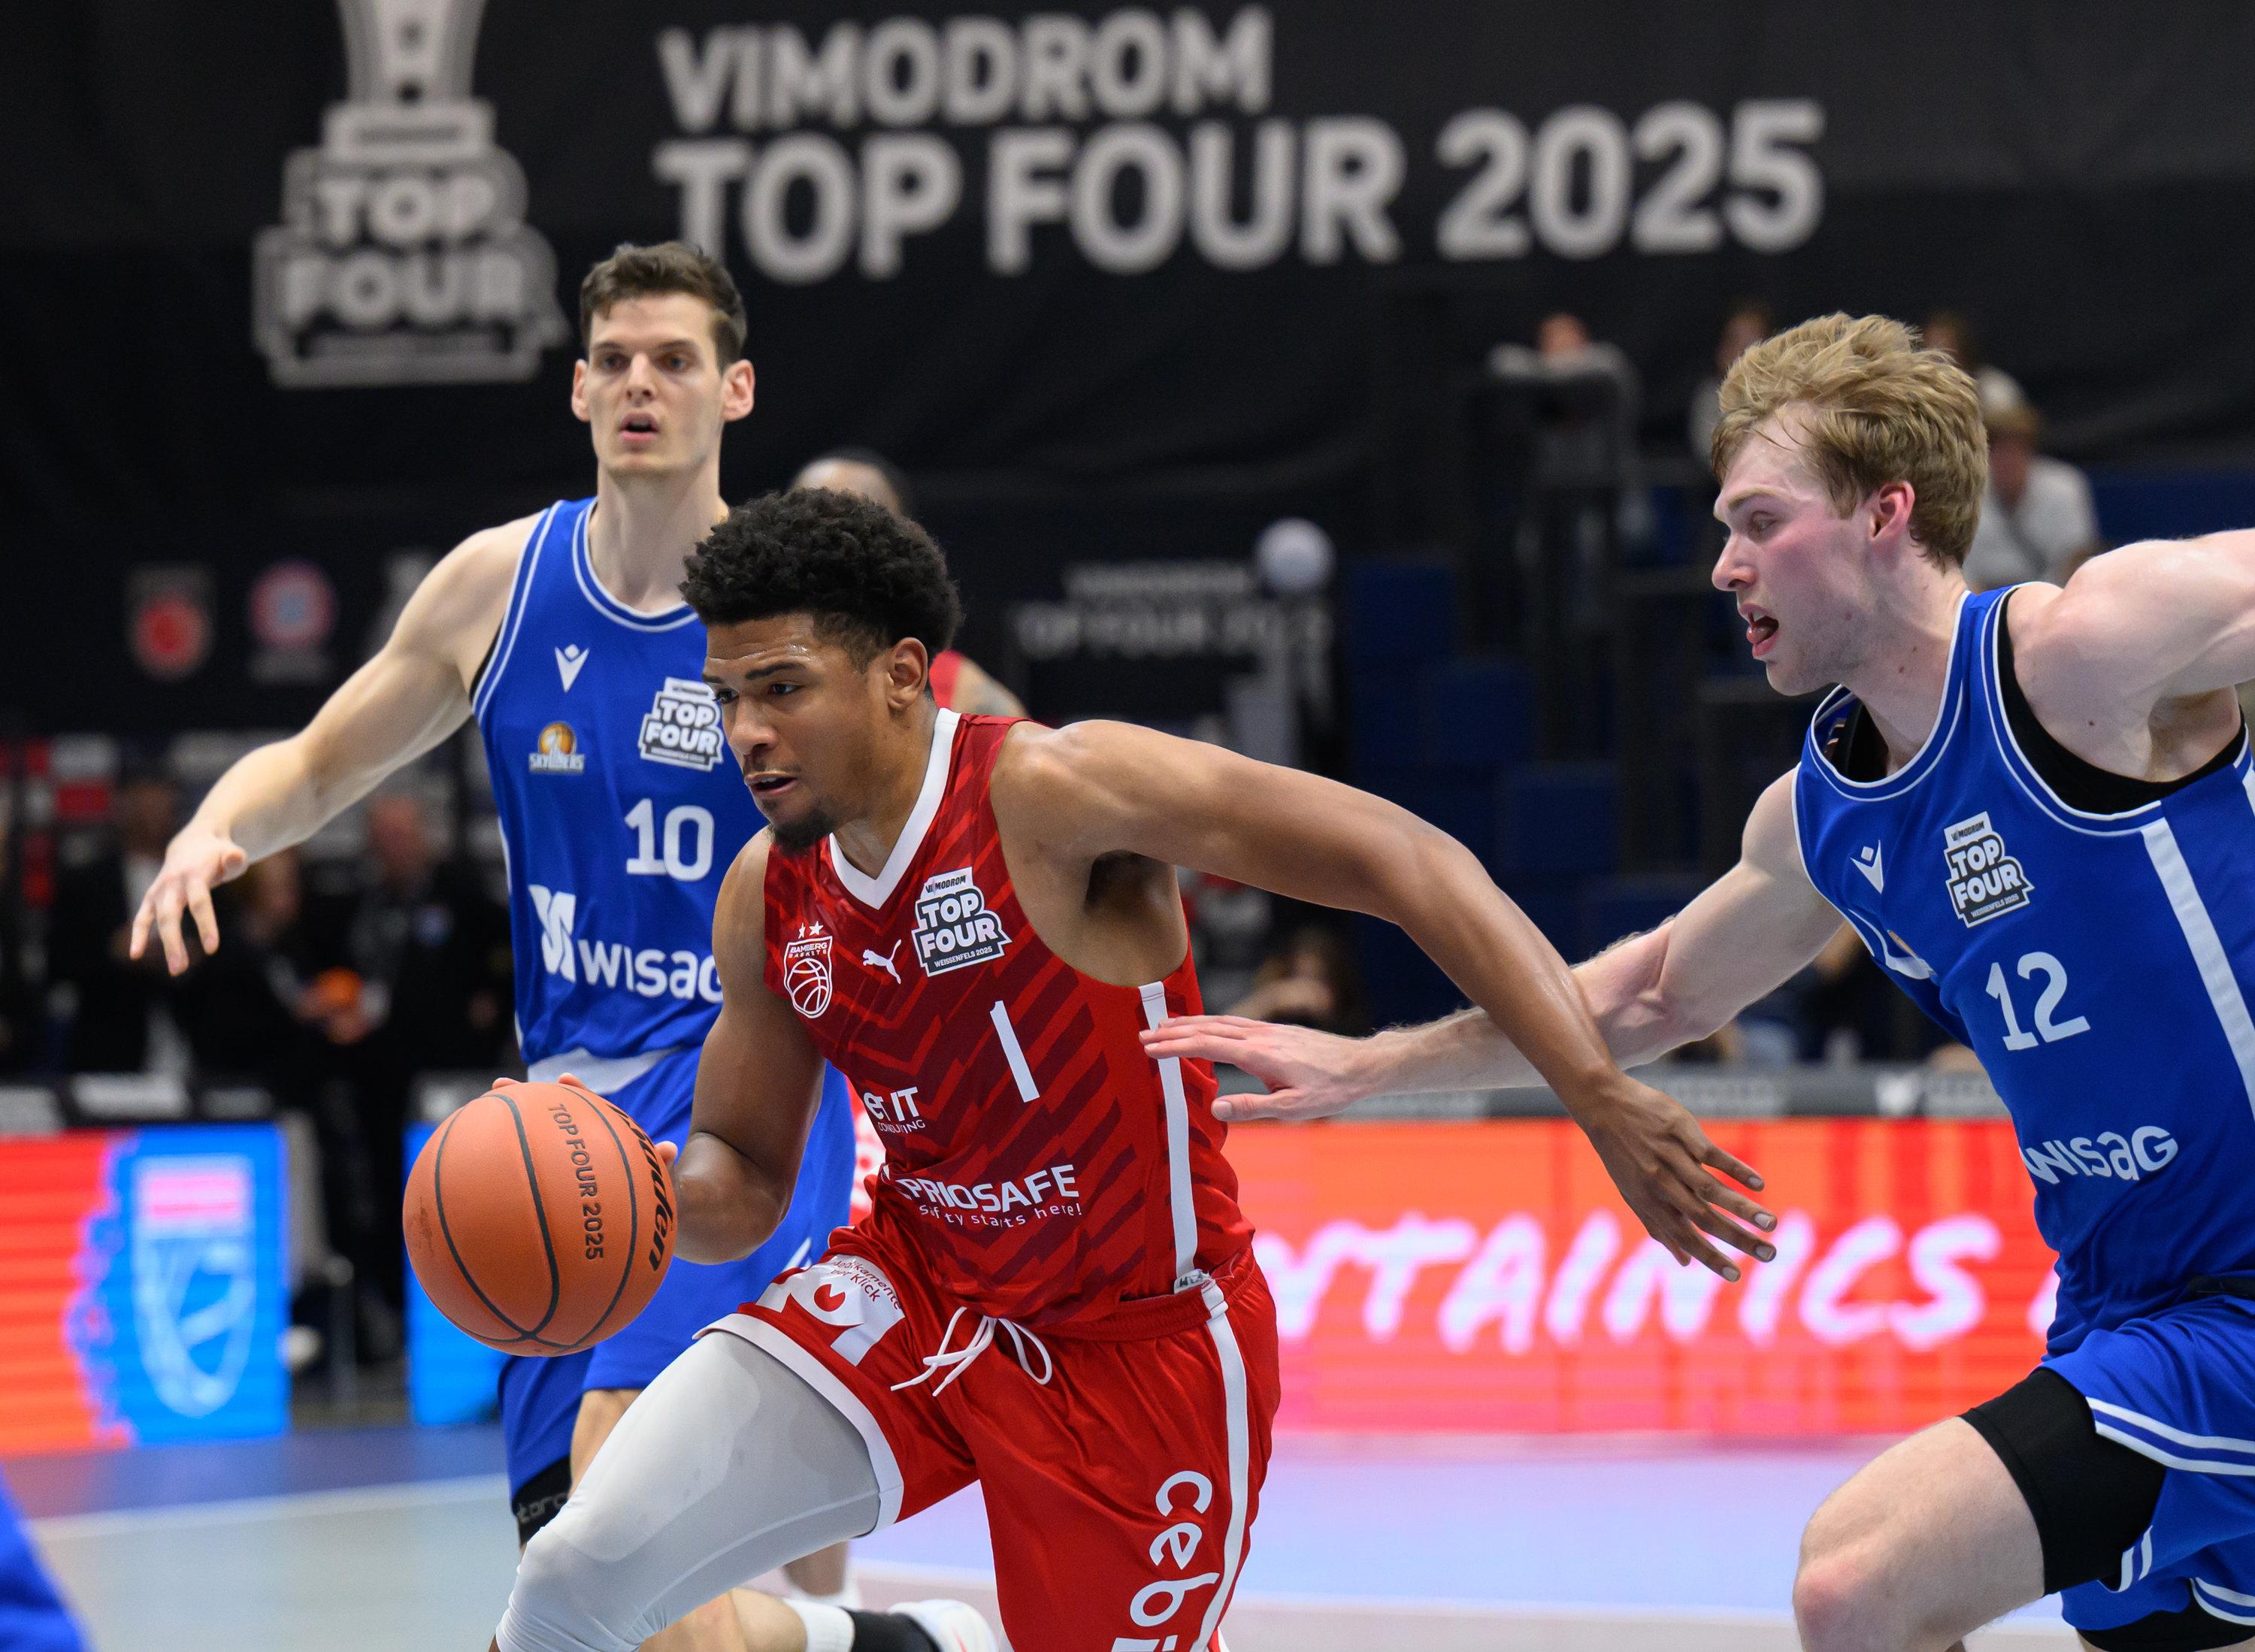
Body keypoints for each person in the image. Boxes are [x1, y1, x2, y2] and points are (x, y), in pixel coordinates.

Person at [489, 488, 1775, 1652]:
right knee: (572, 1574)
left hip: (1139, 1351)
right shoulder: (771, 891)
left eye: (780, 688)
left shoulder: (1052, 789)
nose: (746, 734)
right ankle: (878, 1643)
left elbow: (1405, 857)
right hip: (919, 1289)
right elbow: (750, 1174)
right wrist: (628, 1189)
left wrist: (1595, 1091)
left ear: (895, 675)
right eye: (725, 698)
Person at [1144, 312, 2255, 1652]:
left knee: (1860, 1583)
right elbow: (1651, 996)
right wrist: (1373, 1066)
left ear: (1884, 513)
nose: (1725, 565)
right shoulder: (1826, 815)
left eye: (1758, 521)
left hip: (2236, 1302)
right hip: (2118, 1304)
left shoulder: (2087, 654)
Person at [129, 244, 974, 1652]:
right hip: (559, 1118)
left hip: (740, 1094)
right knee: (603, 1608)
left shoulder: (780, 612)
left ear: (736, 388)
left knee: (601, 1521)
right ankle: (904, 1645)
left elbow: (914, 824)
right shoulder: (497, 588)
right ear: (579, 387)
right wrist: (218, 828)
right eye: (620, 360)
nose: (644, 383)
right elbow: (324, 759)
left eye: (678, 359)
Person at [788, 450, 1025, 719]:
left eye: (851, 530)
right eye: (806, 524)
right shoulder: (739, 671)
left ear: (902, 543)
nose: (827, 547)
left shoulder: (969, 698)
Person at [49, 750, 188, 1073]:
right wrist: (113, 952)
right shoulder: (88, 881)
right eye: (145, 793)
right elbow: (58, 964)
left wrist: (193, 954)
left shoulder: (199, 874)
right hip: (110, 1050)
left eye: (165, 792)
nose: (157, 804)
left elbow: (229, 953)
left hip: (191, 1044)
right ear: (123, 801)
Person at [1963, 402, 2103, 592]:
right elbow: (1962, 565)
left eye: (2015, 449)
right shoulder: (1968, 491)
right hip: (1987, 602)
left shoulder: (2066, 487)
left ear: (2030, 451)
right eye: (1999, 449)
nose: (2008, 459)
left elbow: (2076, 559)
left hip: (2053, 597)